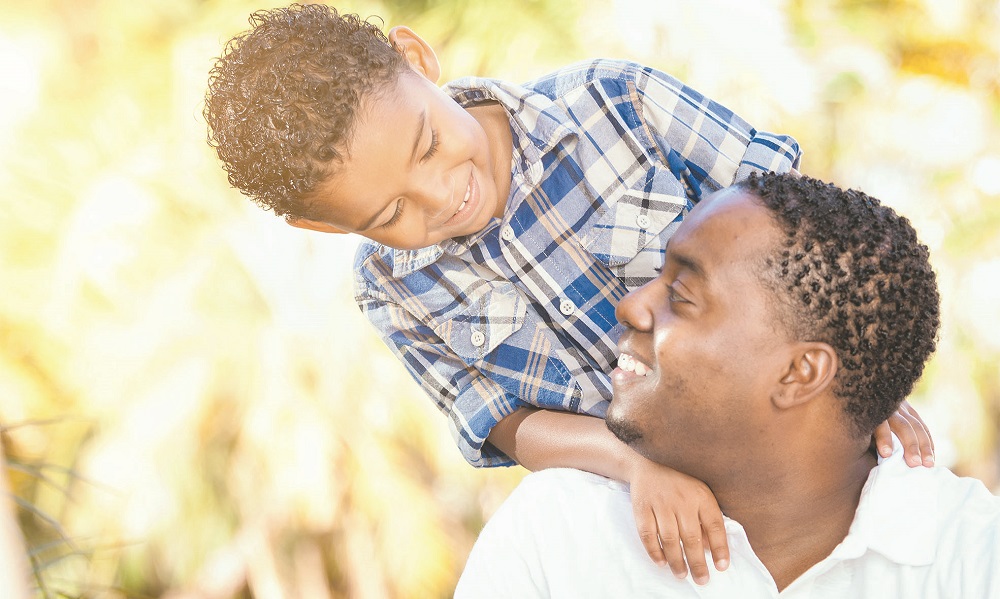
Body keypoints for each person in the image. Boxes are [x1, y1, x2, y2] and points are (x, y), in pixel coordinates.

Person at [203, 4, 935, 581]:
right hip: (643, 514)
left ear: (416, 59)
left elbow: (797, 225)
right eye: (389, 214)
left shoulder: (617, 102)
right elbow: (503, 421)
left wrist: (852, 385)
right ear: (321, 227)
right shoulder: (390, 289)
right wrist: (635, 465)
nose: (440, 194)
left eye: (426, 143)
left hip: (788, 452)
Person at [455, 172, 1000, 598]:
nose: (630, 305)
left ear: (799, 373)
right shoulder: (557, 532)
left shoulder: (975, 558)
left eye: (682, 296)